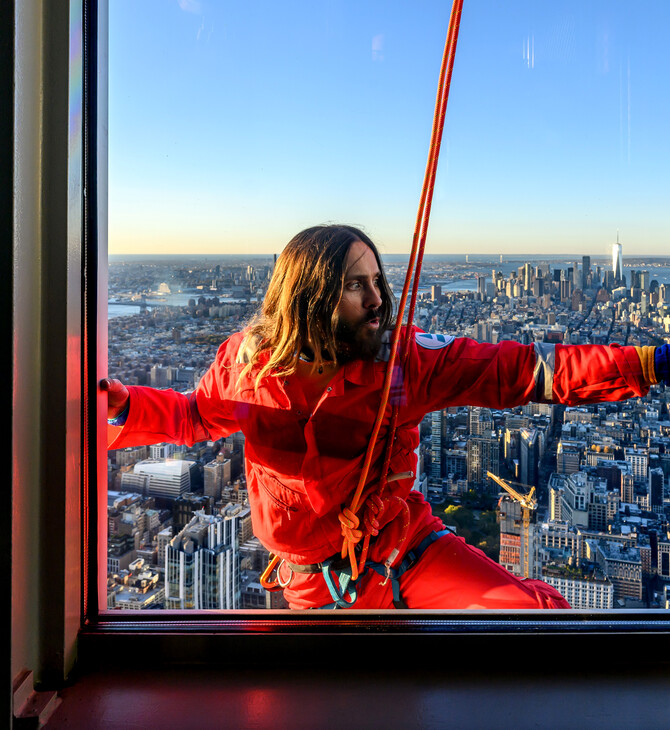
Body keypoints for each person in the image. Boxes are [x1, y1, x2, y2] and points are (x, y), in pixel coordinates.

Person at [103, 224, 670, 610]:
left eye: (379, 282)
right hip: (312, 582)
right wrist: (117, 407)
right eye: (356, 285)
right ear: (311, 295)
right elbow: (195, 416)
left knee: (534, 622)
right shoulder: (248, 366)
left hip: (406, 546)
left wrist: (648, 362)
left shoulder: (403, 362)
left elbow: (520, 371)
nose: (378, 300)